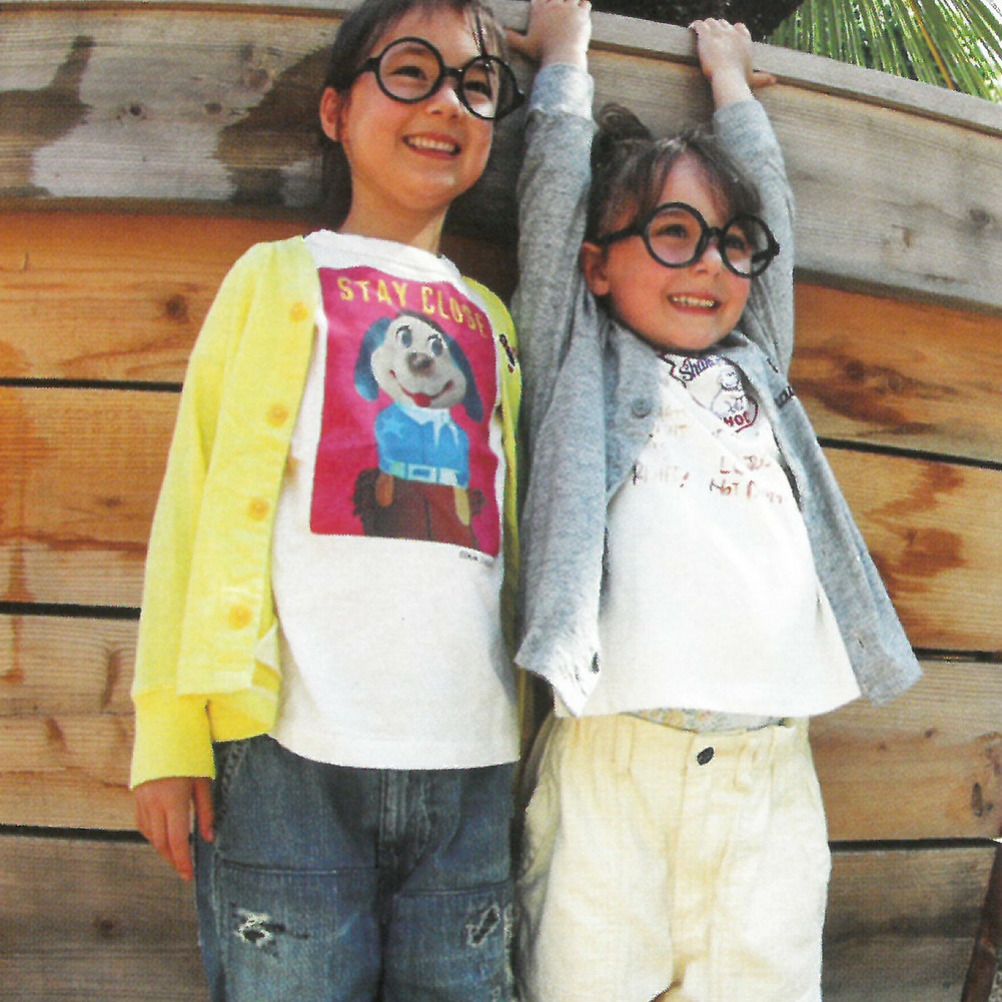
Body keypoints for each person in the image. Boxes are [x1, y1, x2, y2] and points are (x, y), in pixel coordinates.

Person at [506, 2, 922, 1000]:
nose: (709, 264)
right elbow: (551, 207)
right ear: (597, 267)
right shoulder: (577, 363)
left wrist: (732, 84)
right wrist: (566, 60)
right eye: (673, 234)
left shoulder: (757, 366)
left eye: (730, 246)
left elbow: (771, 214)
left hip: (767, 780)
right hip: (615, 771)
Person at [130, 1, 526, 998]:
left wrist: (564, 65)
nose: (447, 102)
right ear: (336, 110)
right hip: (282, 761)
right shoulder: (275, 277)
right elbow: (194, 500)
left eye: (477, 85)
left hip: (473, 761)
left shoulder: (492, 319)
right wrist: (169, 731)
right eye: (411, 72)